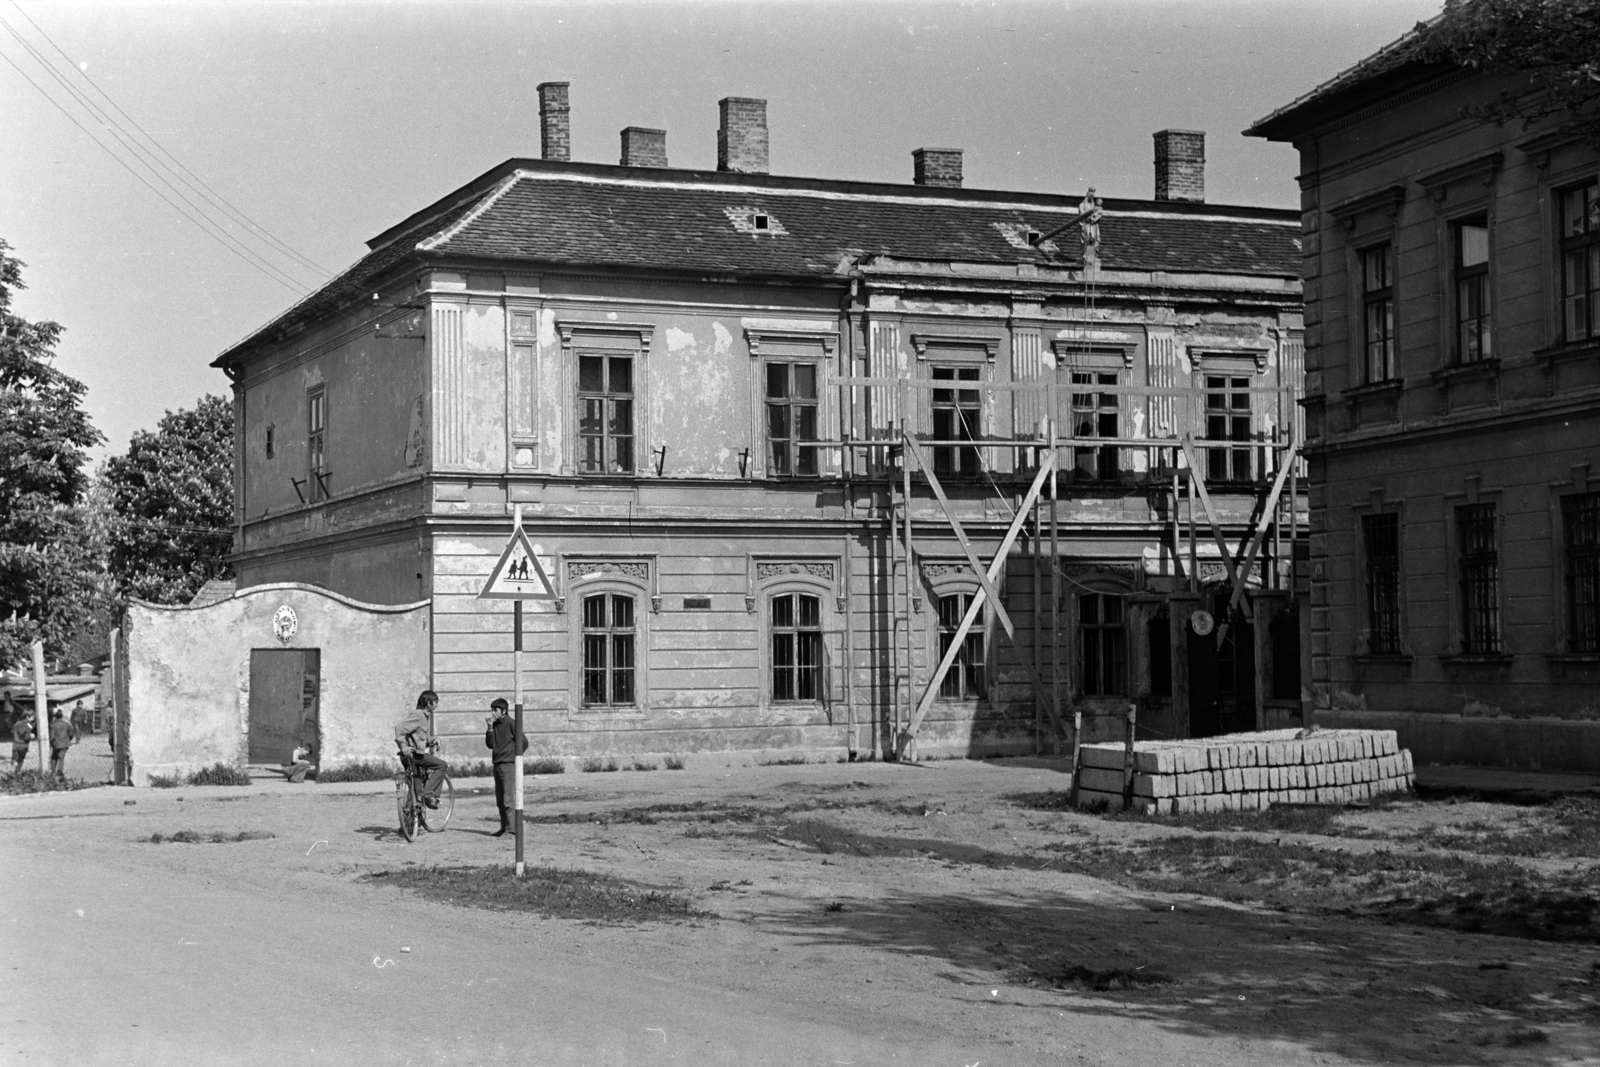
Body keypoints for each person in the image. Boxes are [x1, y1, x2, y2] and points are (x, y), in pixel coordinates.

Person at [483, 698, 529, 837]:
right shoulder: (495, 725)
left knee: (508, 799)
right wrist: (489, 728)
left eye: (495, 710)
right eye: (492, 709)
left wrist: (513, 756)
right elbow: (490, 744)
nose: (493, 712)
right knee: (500, 799)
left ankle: (511, 830)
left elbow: (524, 742)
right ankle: (504, 828)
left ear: (503, 711)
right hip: (497, 763)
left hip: (508, 764)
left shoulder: (511, 723)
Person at [395, 690, 447, 807]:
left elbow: (420, 740)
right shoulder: (419, 715)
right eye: (435, 702)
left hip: (411, 757)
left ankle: (412, 821)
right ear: (429, 703)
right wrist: (404, 747)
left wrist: (434, 739)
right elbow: (399, 728)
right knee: (442, 765)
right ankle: (428, 794)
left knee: (417, 792)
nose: (437, 705)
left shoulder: (423, 716)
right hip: (414, 756)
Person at [48, 708, 77, 780]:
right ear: (62, 717)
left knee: (53, 757)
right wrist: (68, 739)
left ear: (55, 717)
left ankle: (53, 772)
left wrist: (51, 743)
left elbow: (51, 736)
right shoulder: (66, 724)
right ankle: (59, 771)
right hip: (64, 743)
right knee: (61, 757)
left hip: (56, 744)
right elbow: (71, 733)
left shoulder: (52, 725)